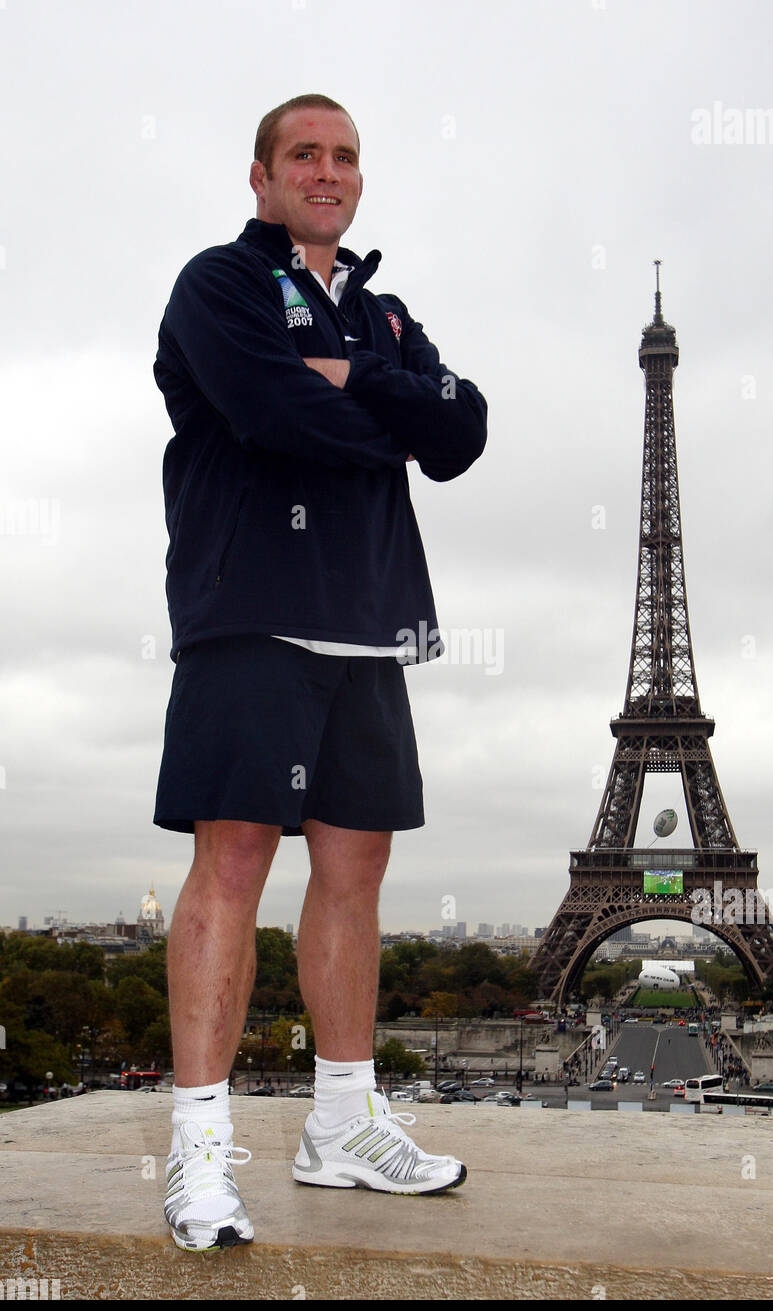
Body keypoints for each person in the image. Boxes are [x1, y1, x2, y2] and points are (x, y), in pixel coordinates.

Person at [153, 94, 487, 1252]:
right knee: (231, 863)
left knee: (356, 875)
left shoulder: (386, 311)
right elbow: (261, 407)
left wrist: (351, 379)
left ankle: (341, 1125)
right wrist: (378, 402)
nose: (328, 171)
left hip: (370, 621)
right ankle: (199, 1154)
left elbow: (462, 433)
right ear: (262, 176)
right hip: (249, 610)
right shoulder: (218, 285)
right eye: (306, 154)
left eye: (346, 156)